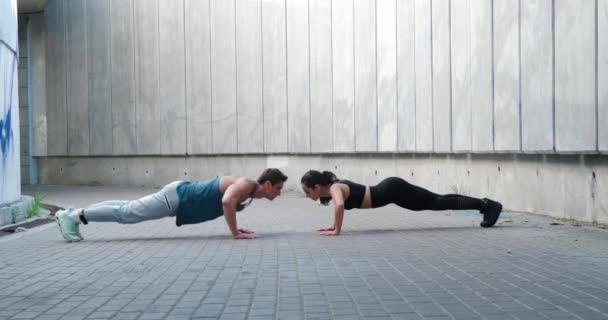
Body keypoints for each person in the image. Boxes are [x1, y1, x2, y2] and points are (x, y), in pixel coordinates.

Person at [55, 168, 288, 242]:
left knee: (127, 208)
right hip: (177, 197)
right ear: (267, 184)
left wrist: (237, 227)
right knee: (127, 214)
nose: (278, 194)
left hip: (178, 196)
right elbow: (227, 201)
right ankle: (72, 217)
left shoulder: (248, 191)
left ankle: (73, 214)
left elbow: (228, 202)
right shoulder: (246, 184)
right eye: (278, 189)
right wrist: (235, 232)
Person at [300, 170, 502, 236]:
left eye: (307, 191)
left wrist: (337, 231)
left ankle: (487, 206)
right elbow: (338, 206)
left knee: (438, 201)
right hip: (392, 191)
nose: (307, 195)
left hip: (392, 191)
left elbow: (339, 206)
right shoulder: (335, 186)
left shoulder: (335, 188)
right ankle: (485, 205)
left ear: (318, 187)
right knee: (437, 200)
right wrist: (334, 225)